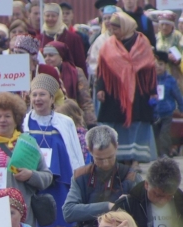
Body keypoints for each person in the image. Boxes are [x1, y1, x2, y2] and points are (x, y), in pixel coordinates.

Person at [0, 92, 55, 227]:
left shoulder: (28, 143)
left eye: (7, 116)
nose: (2, 120)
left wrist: (31, 175)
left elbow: (47, 176)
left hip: (22, 216)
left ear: (16, 119)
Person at [23, 73, 87, 227]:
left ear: (52, 98)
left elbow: (75, 153)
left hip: (60, 184)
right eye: (34, 94)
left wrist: (81, 181)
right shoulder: (24, 122)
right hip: (33, 182)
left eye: (42, 94)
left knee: (61, 226)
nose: (38, 98)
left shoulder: (65, 122)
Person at [95, 12, 158, 163]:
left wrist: (153, 92)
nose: (113, 31)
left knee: (136, 123)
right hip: (114, 93)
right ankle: (116, 156)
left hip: (139, 92)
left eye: (116, 28)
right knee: (116, 123)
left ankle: (135, 158)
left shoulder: (142, 43)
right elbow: (102, 69)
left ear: (125, 27)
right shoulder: (108, 45)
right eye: (111, 28)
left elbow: (150, 69)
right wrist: (100, 89)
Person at [63, 125, 136, 227]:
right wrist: (108, 206)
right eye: (99, 159)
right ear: (89, 150)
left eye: (110, 157)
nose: (106, 163)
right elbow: (68, 212)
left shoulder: (130, 176)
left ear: (116, 146)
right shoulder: (81, 175)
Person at [42, 41, 95, 124]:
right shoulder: (41, 73)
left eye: (51, 55)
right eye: (45, 56)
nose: (47, 58)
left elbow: (85, 100)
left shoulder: (76, 72)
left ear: (61, 56)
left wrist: (90, 123)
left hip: (72, 118)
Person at [38, 3, 87, 73]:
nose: (50, 18)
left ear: (59, 17)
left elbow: (80, 64)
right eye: (47, 16)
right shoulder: (39, 38)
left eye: (53, 16)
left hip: (68, 78)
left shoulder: (73, 38)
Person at [151, 50, 183, 158]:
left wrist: (181, 107)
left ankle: (164, 153)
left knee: (164, 134)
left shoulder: (170, 81)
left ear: (165, 65)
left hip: (167, 113)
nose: (158, 67)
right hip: (154, 113)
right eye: (155, 64)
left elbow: (178, 96)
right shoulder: (150, 80)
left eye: (161, 64)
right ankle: (157, 153)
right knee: (155, 135)